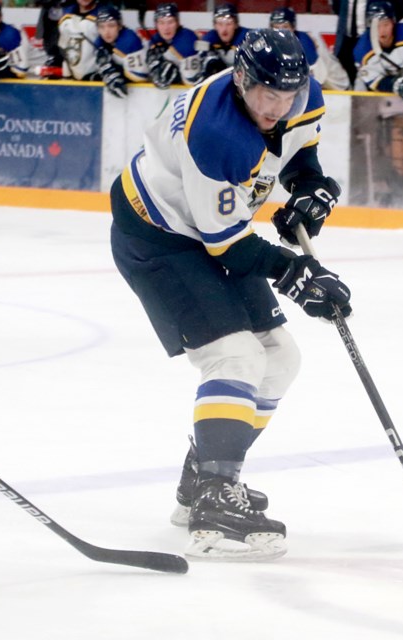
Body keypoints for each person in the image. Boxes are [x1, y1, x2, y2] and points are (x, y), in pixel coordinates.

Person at [109, 29, 351, 561]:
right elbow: (231, 248)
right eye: (267, 95)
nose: (278, 107)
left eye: (288, 95)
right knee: (235, 355)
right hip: (158, 236)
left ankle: (204, 476)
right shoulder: (214, 132)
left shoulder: (299, 93)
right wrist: (299, 274)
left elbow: (297, 157)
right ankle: (215, 498)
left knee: (280, 358)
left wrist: (312, 192)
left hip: (211, 230)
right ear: (242, 79)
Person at [269, 6, 349, 91]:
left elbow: (318, 79)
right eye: (276, 28)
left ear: (293, 27)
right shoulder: (270, 43)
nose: (280, 32)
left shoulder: (305, 43)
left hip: (339, 87)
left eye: (285, 27)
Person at [331, 0, 403, 85]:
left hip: (371, 41)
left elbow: (399, 11)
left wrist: (380, 26)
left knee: (369, 77)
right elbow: (337, 8)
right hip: (345, 41)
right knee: (345, 78)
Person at [92, 5, 147, 98]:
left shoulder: (130, 40)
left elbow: (140, 76)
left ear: (120, 25)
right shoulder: (99, 42)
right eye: (102, 27)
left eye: (111, 25)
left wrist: (115, 71)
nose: (106, 31)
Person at [146, 3, 202, 89]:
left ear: (177, 22)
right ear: (156, 24)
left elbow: (193, 79)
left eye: (170, 22)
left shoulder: (188, 39)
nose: (166, 28)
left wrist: (177, 76)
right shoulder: (155, 41)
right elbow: (155, 76)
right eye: (161, 22)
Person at [198, 3, 249, 81]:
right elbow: (198, 69)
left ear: (236, 25)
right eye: (220, 24)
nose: (224, 29)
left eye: (229, 24)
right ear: (214, 25)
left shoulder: (247, 38)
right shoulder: (208, 39)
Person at [55, 0, 103, 81]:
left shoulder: (105, 15)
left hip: (95, 80)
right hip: (69, 79)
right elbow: (63, 44)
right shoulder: (65, 15)